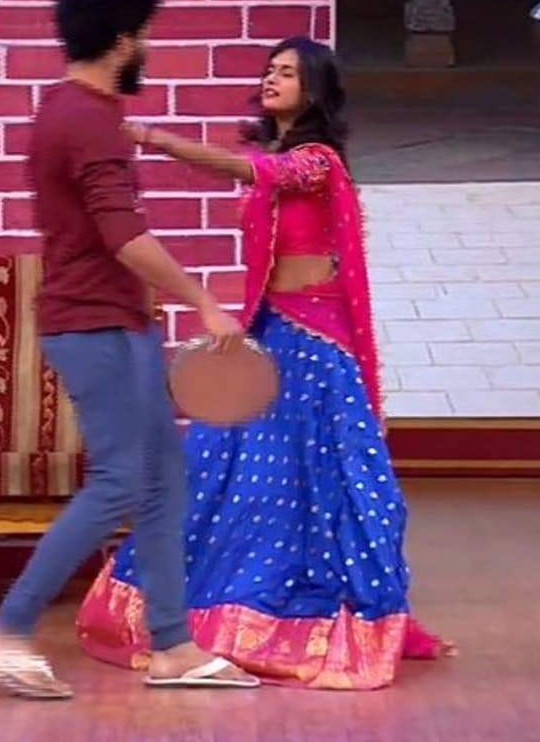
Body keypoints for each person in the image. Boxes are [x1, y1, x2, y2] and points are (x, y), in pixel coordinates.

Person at [76, 36, 455, 690]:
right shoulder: (275, 155)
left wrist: (155, 139)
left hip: (318, 345)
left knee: (339, 482)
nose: (273, 79)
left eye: (289, 72)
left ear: (314, 89)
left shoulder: (317, 161)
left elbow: (252, 173)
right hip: (272, 332)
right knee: (228, 473)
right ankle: (207, 610)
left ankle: (336, 620)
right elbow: (255, 174)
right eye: (270, 69)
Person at [0, 0, 260, 699]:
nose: (148, 48)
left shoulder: (73, 110)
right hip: (92, 323)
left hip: (118, 320)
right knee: (124, 479)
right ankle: (8, 631)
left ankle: (173, 647)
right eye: (147, 35)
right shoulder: (87, 120)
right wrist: (203, 300)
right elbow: (123, 235)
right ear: (125, 38)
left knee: (163, 477)